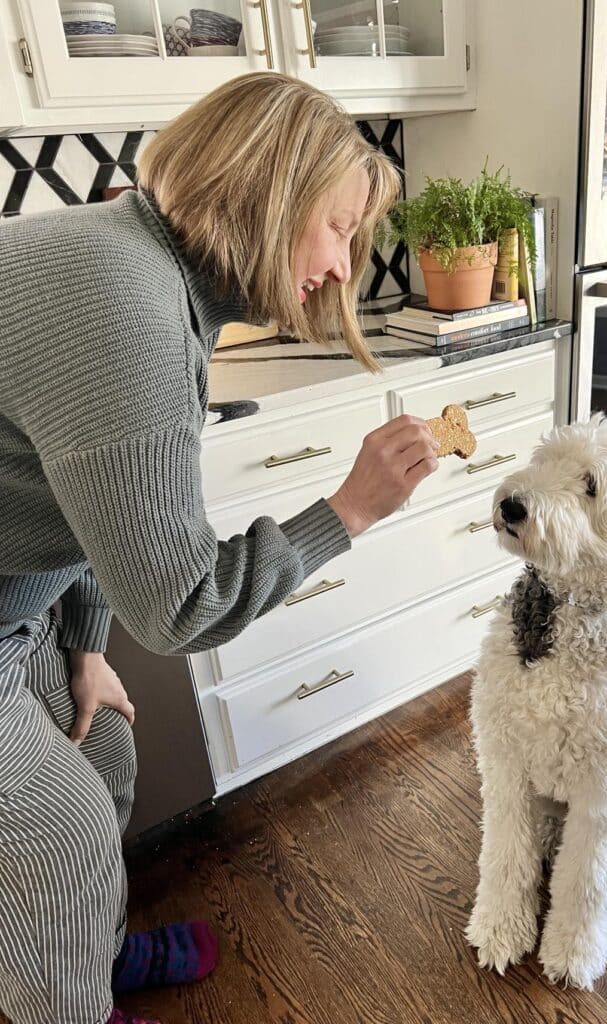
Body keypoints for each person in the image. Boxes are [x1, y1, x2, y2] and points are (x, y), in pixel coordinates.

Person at [0, 71, 440, 1024]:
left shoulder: (138, 262)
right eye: (338, 227)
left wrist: (81, 647)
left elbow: (78, 496)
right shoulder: (121, 304)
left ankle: (93, 953)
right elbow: (184, 607)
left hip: (19, 604)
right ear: (272, 193)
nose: (341, 265)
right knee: (64, 837)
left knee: (108, 744)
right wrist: (349, 511)